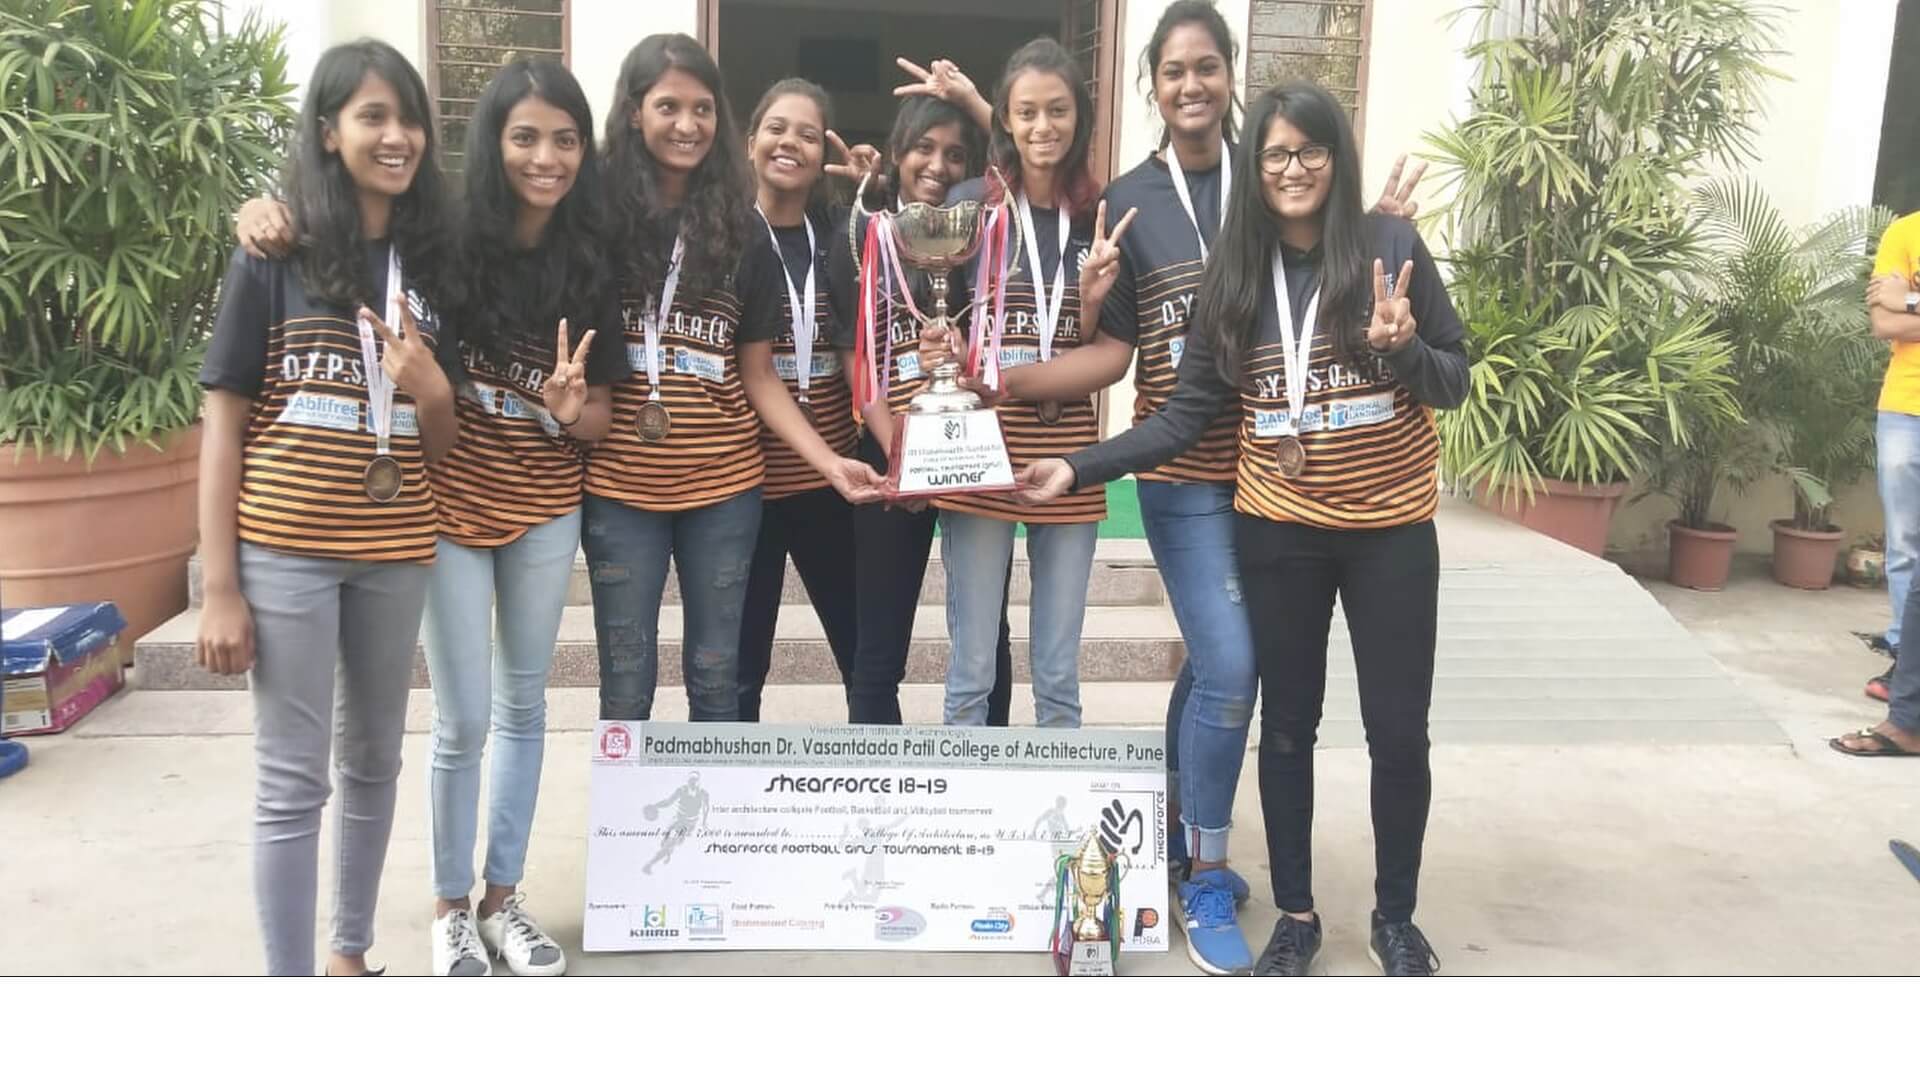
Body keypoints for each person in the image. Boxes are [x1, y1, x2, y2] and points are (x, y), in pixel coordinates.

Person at [1023, 80, 1470, 976]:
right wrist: (1081, 465)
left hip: (1390, 533)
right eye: (1275, 155)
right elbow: (1183, 416)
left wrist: (1403, 350)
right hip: (1280, 532)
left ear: (1335, 160)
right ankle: (1297, 915)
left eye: (1309, 151)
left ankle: (1395, 919)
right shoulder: (1234, 278)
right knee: (1291, 726)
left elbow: (1454, 381)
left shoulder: (1389, 245)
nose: (1292, 168)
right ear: (1255, 170)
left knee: (1396, 730)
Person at [196, 39, 461, 976]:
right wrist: (219, 587)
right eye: (372, 117)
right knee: (290, 781)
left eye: (408, 118)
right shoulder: (276, 252)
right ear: (329, 130)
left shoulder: (433, 264)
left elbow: (443, 442)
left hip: (394, 554)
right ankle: (289, 987)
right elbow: (223, 421)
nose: (397, 137)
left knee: (374, 763)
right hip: (285, 554)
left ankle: (350, 955)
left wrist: (431, 392)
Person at [415, 60, 620, 978]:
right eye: (526, 136)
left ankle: (504, 900)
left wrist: (568, 407)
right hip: (452, 510)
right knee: (461, 719)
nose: (547, 157)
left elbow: (606, 418)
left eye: (565, 138)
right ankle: (449, 908)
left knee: (524, 705)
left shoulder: (589, 259)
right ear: (493, 143)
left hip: (545, 510)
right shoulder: (443, 244)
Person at [585, 34, 857, 722]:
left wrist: (829, 461)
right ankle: (628, 832)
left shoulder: (741, 232)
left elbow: (758, 374)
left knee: (716, 682)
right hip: (619, 488)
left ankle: (709, 829)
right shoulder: (593, 222)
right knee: (625, 684)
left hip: (725, 489)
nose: (686, 124)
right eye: (668, 105)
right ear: (634, 113)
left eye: (703, 108)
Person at [827, 91, 1016, 726]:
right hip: (889, 457)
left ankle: (989, 786)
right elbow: (858, 360)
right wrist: (897, 453)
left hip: (966, 445)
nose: (937, 165)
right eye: (923, 149)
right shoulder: (861, 235)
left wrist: (974, 99)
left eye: (955, 155)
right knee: (878, 648)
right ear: (897, 153)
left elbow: (1022, 166)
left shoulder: (978, 231)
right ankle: (882, 805)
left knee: (989, 634)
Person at [936, 39, 1108, 729]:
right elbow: (937, 313)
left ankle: (1062, 832)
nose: (1044, 127)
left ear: (1079, 117)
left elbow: (1104, 344)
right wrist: (942, 345)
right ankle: (962, 822)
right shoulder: (969, 206)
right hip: (980, 446)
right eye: (1027, 112)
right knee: (972, 666)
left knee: (1059, 672)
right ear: (1004, 120)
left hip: (1070, 452)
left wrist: (1093, 301)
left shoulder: (1099, 209)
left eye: (1059, 110)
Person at [735, 79, 882, 721]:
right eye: (776, 127)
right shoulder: (727, 241)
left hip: (831, 487)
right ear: (750, 144)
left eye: (807, 132)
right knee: (739, 672)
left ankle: (881, 804)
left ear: (825, 150)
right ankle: (727, 814)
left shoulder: (841, 240)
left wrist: (869, 197)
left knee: (865, 656)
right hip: (743, 486)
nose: (789, 142)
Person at [1832, 210, 1920, 753]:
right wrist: (1893, 311)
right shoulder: (1904, 232)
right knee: (1906, 547)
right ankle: (1906, 660)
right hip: (1904, 408)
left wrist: (1906, 300)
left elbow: (1897, 313)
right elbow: (1882, 327)